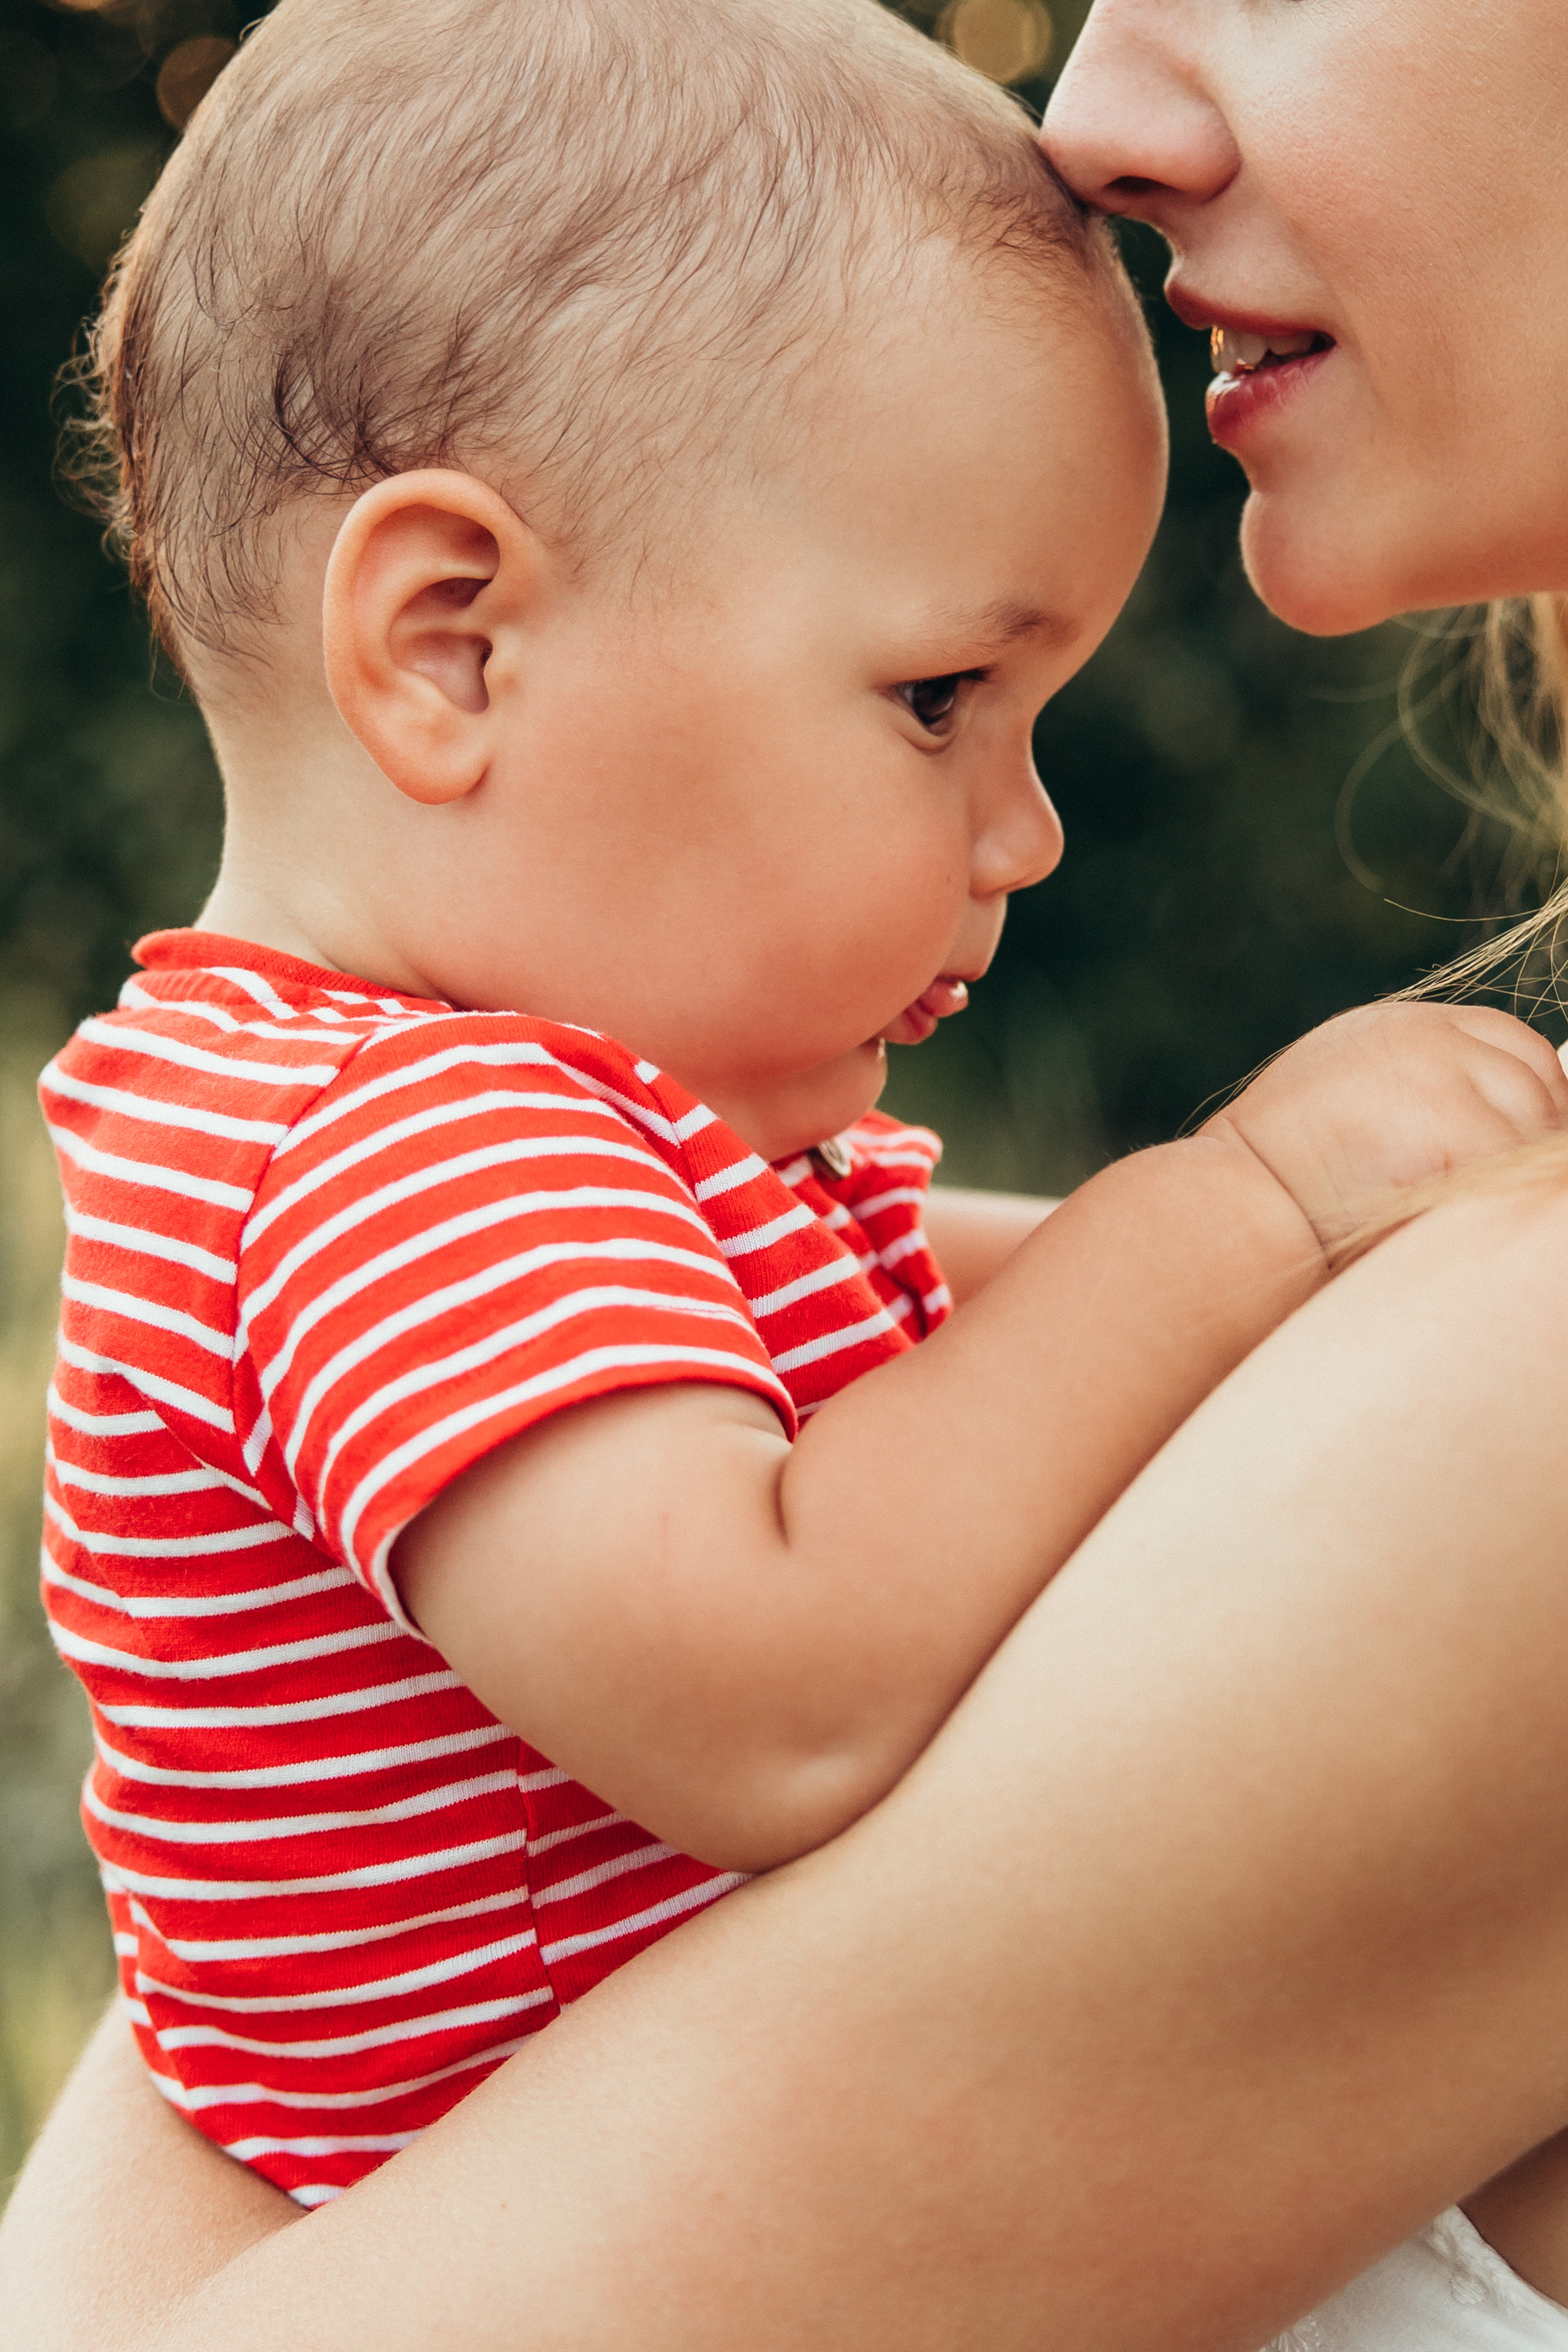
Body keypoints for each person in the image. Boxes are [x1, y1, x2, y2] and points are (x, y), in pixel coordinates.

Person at [9, 1, 1568, 2347]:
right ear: (451, 644)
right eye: (945, 700)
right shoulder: (398, 1152)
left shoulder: (492, 1139)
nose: (1025, 832)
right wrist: (1235, 1213)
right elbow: (776, 1686)